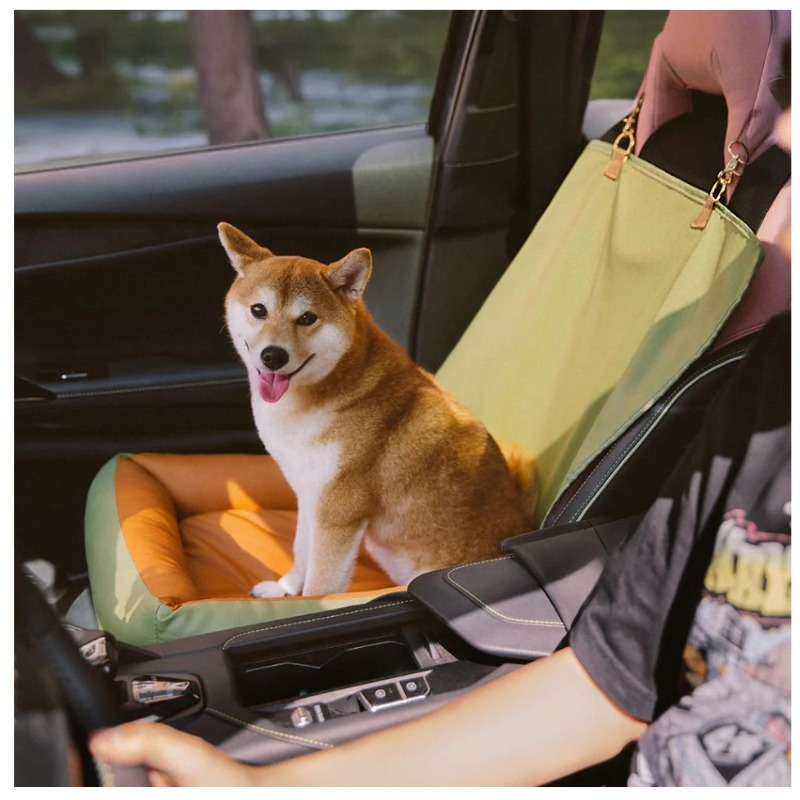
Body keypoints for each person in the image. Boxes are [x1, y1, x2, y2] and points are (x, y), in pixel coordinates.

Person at [88, 58, 792, 792]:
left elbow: (340, 512)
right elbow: (605, 684)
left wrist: (302, 602)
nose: (784, 132)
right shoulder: (769, 396)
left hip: (455, 588)